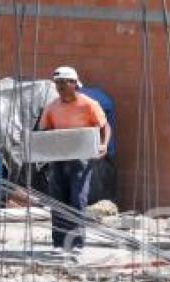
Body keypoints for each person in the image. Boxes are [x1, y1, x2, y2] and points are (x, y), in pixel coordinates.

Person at [39, 66, 112, 252]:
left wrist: (103, 144)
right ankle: (58, 242)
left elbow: (105, 127)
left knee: (77, 198)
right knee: (57, 199)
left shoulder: (88, 104)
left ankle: (76, 243)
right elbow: (45, 131)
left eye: (64, 83)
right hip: (58, 158)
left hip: (81, 159)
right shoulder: (52, 107)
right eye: (58, 83)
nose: (60, 87)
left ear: (74, 84)